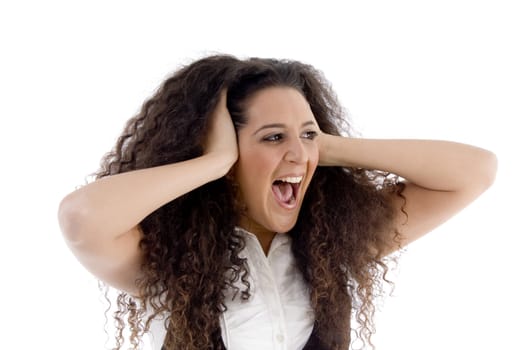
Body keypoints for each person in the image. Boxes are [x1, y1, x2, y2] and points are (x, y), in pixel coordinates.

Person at [57, 54, 497, 350]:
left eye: (307, 134)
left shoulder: (334, 241)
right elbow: (81, 219)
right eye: (272, 137)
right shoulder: (170, 259)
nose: (298, 154)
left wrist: (326, 148)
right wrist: (215, 161)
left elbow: (475, 172)